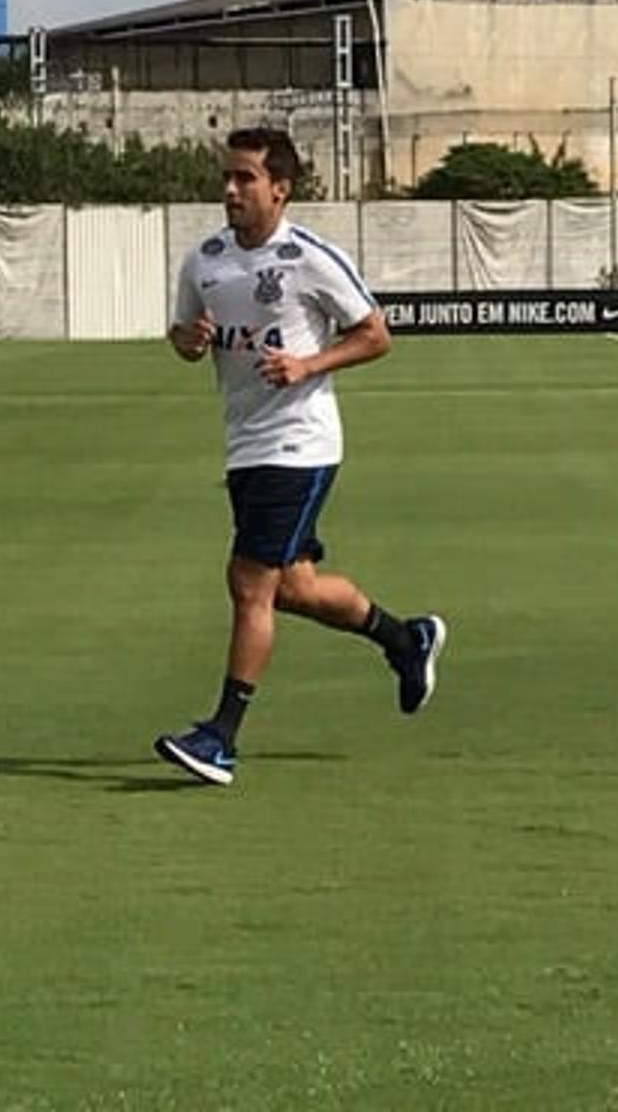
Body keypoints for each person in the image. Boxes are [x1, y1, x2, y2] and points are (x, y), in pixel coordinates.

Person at [154, 127, 446, 787]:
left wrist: (309, 363)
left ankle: (221, 737)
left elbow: (375, 335)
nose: (230, 189)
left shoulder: (310, 257)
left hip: (301, 441)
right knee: (293, 587)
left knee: (248, 581)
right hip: (244, 443)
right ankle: (406, 639)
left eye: (245, 179)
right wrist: (188, 340)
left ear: (279, 189)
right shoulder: (203, 260)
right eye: (227, 177)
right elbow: (179, 335)